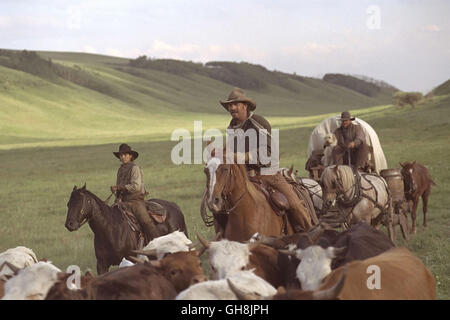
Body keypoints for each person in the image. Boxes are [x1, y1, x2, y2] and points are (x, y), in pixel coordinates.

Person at [220, 88, 312, 232]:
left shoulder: (258, 122)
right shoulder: (231, 127)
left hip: (267, 174)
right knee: (221, 205)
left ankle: (311, 232)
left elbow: (267, 153)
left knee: (294, 205)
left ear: (245, 106)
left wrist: (242, 157)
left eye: (235, 104)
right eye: (229, 106)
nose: (231, 108)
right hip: (245, 178)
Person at [110, 143, 160, 241]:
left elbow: (136, 187)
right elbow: (119, 186)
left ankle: (159, 241)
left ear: (130, 156)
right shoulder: (120, 170)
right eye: (121, 155)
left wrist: (120, 187)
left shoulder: (135, 168)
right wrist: (116, 192)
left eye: (125, 154)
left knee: (146, 222)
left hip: (135, 201)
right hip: (122, 202)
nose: (123, 157)